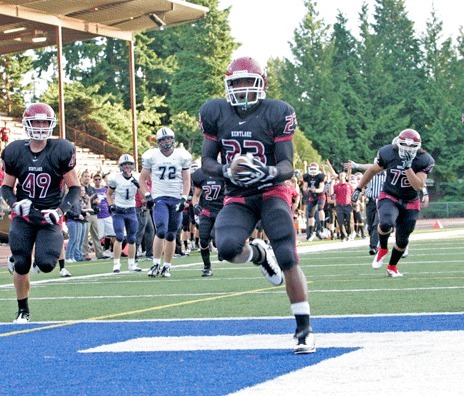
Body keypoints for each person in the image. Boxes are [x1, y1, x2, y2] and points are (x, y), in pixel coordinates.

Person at [199, 56, 315, 354]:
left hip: (272, 191)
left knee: (287, 255)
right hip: (238, 195)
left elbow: (288, 163)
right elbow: (207, 161)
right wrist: (226, 170)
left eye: (248, 82)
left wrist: (270, 171)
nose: (242, 88)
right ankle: (259, 255)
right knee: (225, 248)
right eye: (236, 82)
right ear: (227, 84)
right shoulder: (215, 111)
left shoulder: (277, 111)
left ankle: (304, 329)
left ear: (261, 83)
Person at [1, 102, 81, 323]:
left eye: (43, 122)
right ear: (27, 124)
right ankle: (23, 310)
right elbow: (6, 187)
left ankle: (20, 258)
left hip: (48, 216)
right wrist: (15, 204)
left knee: (46, 264)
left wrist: (60, 211)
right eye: (35, 121)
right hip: (24, 215)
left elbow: (74, 187)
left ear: (51, 124)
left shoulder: (61, 150)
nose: (39, 126)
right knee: (22, 263)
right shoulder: (15, 151)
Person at [352, 129, 435, 277]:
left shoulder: (424, 159)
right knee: (385, 223)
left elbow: (418, 186)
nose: (407, 149)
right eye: (404, 145)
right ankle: (382, 248)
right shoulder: (388, 152)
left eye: (411, 146)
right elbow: (371, 170)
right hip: (390, 195)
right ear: (398, 142)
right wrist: (359, 188)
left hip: (410, 200)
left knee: (403, 240)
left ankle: (392, 266)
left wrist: (408, 166)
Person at [139, 127, 192, 278]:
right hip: (160, 197)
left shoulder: (182, 156)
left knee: (171, 234)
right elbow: (142, 179)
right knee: (161, 230)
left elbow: (187, 179)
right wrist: (148, 195)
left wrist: (184, 197)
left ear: (173, 139)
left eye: (168, 138)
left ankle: (167, 266)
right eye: (163, 139)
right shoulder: (152, 156)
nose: (166, 142)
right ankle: (155, 263)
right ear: (158, 142)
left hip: (176, 197)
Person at [106, 154, 142, 273]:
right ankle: (116, 264)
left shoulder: (137, 178)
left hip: (131, 210)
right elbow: (109, 194)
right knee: (120, 236)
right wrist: (111, 205)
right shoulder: (115, 178)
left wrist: (140, 187)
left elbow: (144, 196)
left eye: (129, 164)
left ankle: (132, 264)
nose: (127, 166)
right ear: (121, 166)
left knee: (132, 238)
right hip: (119, 211)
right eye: (124, 164)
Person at [191, 166, 225, 276]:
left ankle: (222, 248)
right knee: (203, 240)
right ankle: (207, 267)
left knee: (215, 237)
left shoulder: (224, 174)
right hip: (206, 211)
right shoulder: (200, 175)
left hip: (221, 211)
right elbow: (196, 195)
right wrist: (195, 205)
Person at [346, 160, 386, 255]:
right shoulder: (370, 174)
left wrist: (357, 165)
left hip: (382, 201)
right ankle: (374, 242)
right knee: (370, 225)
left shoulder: (387, 174)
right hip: (370, 201)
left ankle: (374, 246)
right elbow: (368, 168)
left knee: (377, 224)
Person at [80, 169, 104, 260]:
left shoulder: (92, 189)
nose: (87, 178)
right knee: (85, 236)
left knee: (96, 235)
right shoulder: (80, 188)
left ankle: (99, 253)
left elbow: (97, 199)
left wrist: (96, 201)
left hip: (93, 213)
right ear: (82, 178)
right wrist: (88, 201)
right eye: (85, 176)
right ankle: (84, 254)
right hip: (85, 213)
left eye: (88, 176)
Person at [302, 162, 326, 241]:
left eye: (314, 169)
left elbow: (321, 189)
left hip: (320, 195)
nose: (312, 170)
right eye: (311, 169)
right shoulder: (306, 177)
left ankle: (322, 227)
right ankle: (311, 233)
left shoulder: (320, 176)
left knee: (320, 208)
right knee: (310, 215)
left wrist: (315, 190)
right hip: (312, 196)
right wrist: (308, 189)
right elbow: (304, 188)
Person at [93, 173, 114, 258]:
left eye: (99, 179)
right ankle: (100, 253)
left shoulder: (105, 189)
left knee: (113, 233)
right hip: (98, 215)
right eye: (96, 179)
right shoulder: (92, 190)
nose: (98, 181)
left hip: (107, 214)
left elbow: (110, 198)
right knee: (99, 236)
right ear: (93, 180)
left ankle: (115, 251)